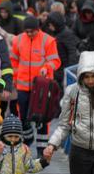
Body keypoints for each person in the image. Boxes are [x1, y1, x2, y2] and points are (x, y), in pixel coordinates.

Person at [10, 16, 61, 153]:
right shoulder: (17, 40)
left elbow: (55, 61)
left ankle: (41, 149)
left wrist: (46, 67)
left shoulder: (48, 41)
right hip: (22, 86)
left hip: (42, 88)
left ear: (38, 29)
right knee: (23, 117)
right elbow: (13, 60)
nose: (29, 34)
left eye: (32, 31)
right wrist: (14, 78)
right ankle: (28, 139)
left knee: (42, 119)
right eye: (27, 31)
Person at [45, 12, 80, 84]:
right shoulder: (57, 32)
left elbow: (72, 52)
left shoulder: (66, 34)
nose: (50, 27)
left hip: (64, 69)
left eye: (51, 25)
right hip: (59, 68)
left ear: (56, 24)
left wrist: (70, 71)